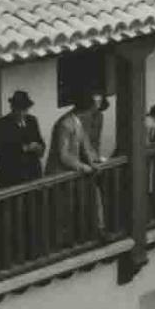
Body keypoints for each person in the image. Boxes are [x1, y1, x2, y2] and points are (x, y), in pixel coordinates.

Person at [47, 93, 106, 239]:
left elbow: (86, 147)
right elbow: (64, 155)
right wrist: (83, 167)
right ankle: (66, 239)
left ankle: (96, 231)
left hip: (74, 172)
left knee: (92, 196)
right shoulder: (65, 124)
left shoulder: (78, 122)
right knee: (64, 210)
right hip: (60, 173)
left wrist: (94, 162)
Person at [0, 89, 44, 188]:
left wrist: (38, 147)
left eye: (25, 109)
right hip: (11, 176)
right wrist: (24, 148)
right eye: (19, 109)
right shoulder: (0, 124)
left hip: (32, 174)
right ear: (12, 108)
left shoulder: (32, 121)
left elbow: (40, 142)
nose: (22, 113)